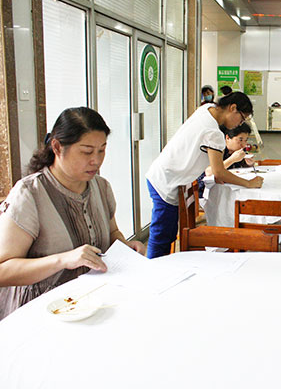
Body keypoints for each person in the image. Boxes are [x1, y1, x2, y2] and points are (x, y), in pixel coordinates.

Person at [0, 107, 145, 320]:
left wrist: (125, 246)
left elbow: (112, 232)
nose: (96, 160)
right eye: (87, 152)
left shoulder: (101, 187)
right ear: (57, 147)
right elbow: (4, 271)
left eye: (102, 150)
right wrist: (63, 260)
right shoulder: (30, 194)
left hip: (92, 301)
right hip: (42, 311)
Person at [145, 92, 263, 258]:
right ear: (233, 108)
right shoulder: (213, 133)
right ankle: (153, 268)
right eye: (242, 119)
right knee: (161, 237)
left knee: (167, 233)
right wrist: (249, 183)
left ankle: (160, 266)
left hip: (164, 174)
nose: (240, 123)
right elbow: (218, 171)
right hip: (166, 181)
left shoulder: (206, 109)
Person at [197, 122, 255, 198]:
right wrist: (232, 159)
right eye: (240, 140)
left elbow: (239, 167)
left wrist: (249, 163)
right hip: (205, 192)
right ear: (227, 138)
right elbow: (209, 171)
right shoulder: (217, 149)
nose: (244, 145)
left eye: (245, 140)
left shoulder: (236, 151)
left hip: (227, 188)